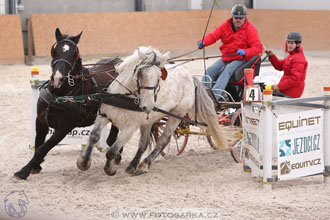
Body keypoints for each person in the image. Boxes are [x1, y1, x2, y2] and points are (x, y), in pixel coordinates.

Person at [197, 4, 263, 100]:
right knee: (210, 70)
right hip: (226, 57)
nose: (238, 20)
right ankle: (202, 95)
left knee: (227, 71)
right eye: (236, 17)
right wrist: (203, 42)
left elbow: (258, 48)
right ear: (232, 17)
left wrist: (245, 52)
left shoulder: (250, 30)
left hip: (241, 59)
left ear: (245, 17)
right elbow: (213, 36)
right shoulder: (225, 26)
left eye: (241, 18)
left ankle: (215, 97)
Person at [265, 32, 308, 98]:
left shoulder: (299, 58)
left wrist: (278, 86)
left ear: (298, 44)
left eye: (292, 43)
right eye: (288, 42)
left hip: (291, 92)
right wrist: (272, 56)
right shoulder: (291, 56)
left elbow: (294, 79)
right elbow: (279, 66)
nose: (289, 45)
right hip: (285, 89)